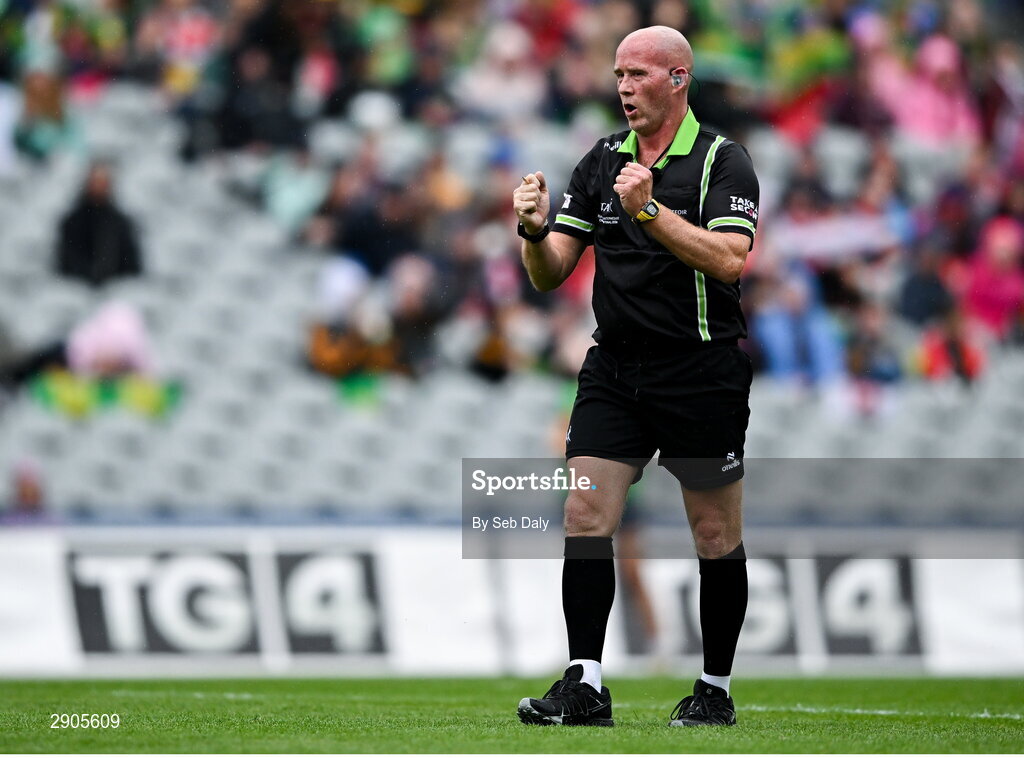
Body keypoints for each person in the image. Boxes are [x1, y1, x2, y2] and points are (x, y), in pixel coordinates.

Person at [511, 26, 758, 728]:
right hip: (615, 368)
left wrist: (649, 210)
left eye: (639, 74)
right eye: (618, 73)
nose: (623, 87)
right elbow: (551, 272)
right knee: (586, 515)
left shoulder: (723, 162)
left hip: (701, 368)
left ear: (678, 79)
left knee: (713, 533)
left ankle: (715, 689)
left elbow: (731, 261)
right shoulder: (601, 160)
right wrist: (531, 232)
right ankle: (584, 684)